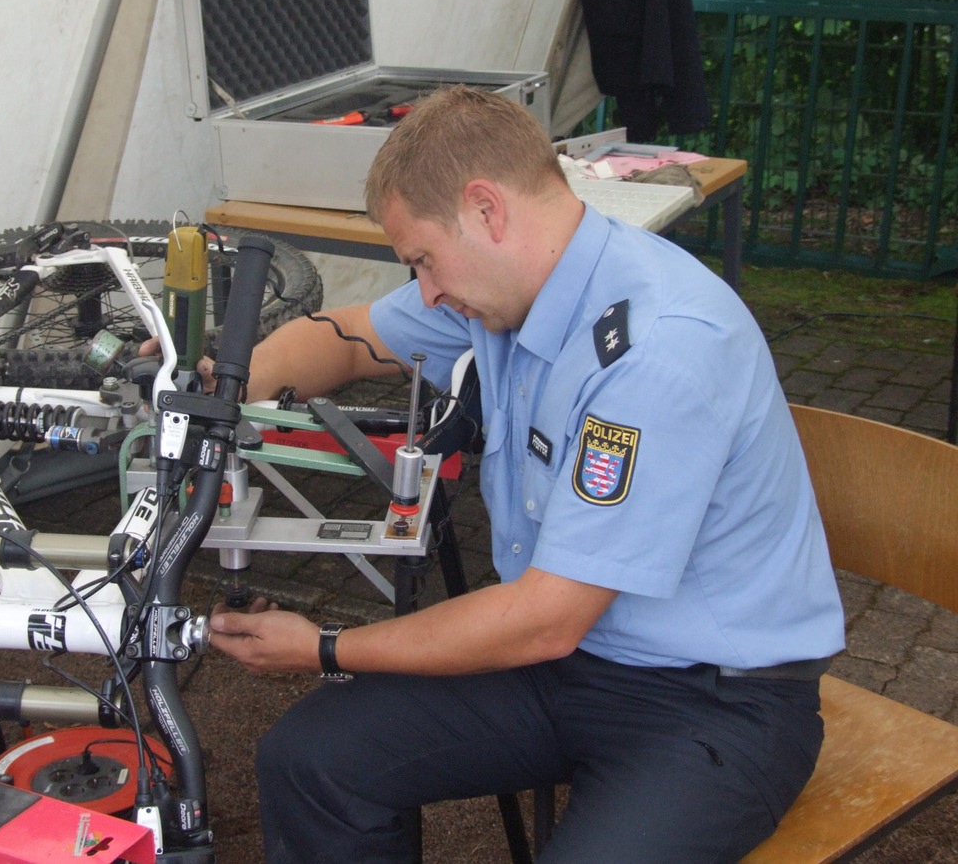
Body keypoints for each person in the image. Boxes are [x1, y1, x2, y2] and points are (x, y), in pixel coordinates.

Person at [201, 85, 846, 862]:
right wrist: (232, 387)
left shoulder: (659, 350)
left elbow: (545, 617)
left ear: (486, 210)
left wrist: (326, 647)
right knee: (311, 762)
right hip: (570, 662)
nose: (427, 291)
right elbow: (352, 336)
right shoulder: (500, 293)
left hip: (715, 702)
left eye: (423, 261)